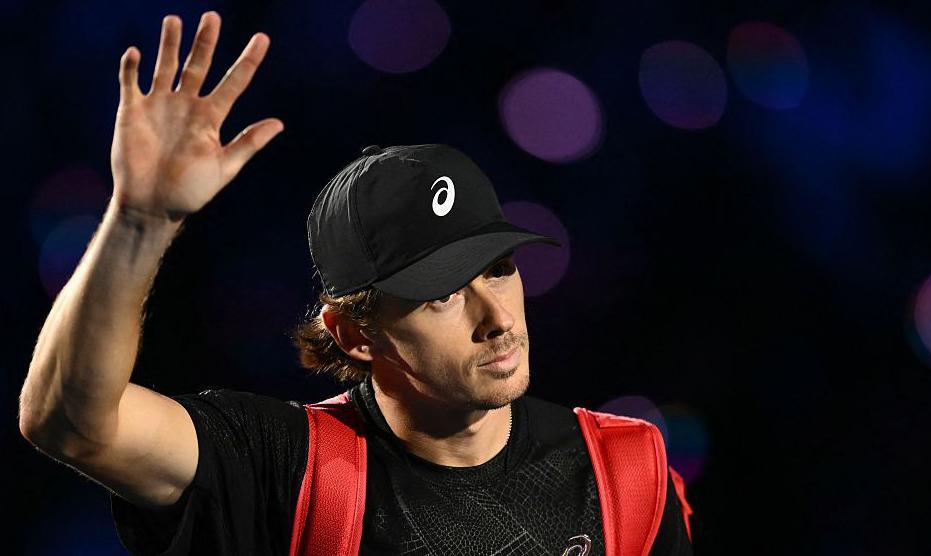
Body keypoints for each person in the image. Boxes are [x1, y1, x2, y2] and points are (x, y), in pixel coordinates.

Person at [18, 11, 694, 555]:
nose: (496, 317)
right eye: (443, 292)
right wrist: (140, 221)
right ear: (353, 332)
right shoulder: (285, 468)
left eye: (500, 268)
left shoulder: (623, 473)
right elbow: (72, 424)